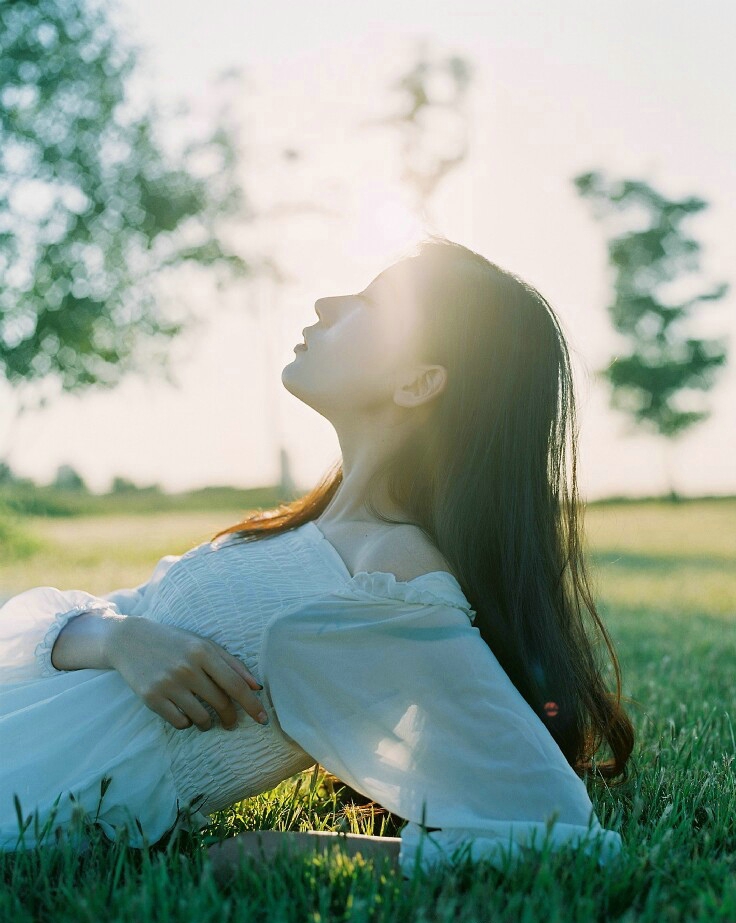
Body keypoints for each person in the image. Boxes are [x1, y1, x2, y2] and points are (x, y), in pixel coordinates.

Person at [0, 236, 635, 878]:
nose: (328, 303)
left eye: (370, 303)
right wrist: (119, 640)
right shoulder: (292, 532)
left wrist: (293, 851)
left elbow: (557, 833)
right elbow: (65, 633)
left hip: (33, 790)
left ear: (418, 382)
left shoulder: (391, 571)